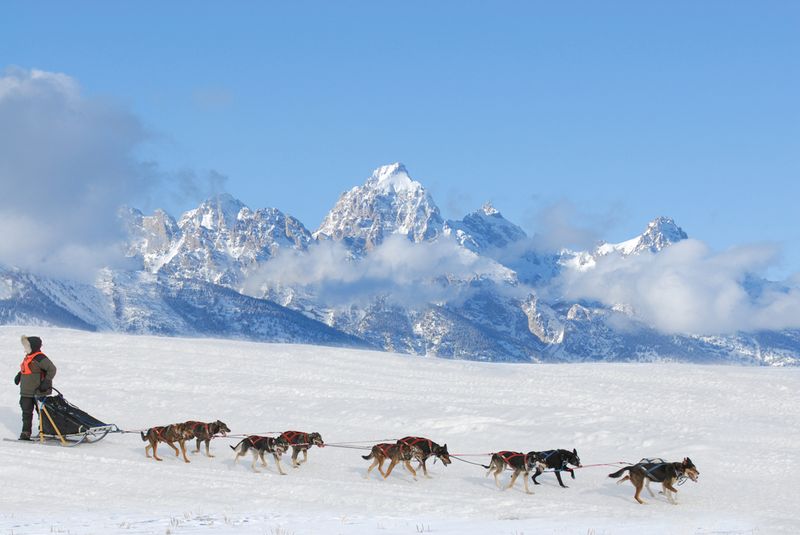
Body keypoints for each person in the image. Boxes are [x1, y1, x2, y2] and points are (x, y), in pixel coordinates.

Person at [13, 335, 57, 441]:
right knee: (26, 413)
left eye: (27, 345)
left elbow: (52, 369)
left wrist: (46, 382)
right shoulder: (28, 357)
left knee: (42, 413)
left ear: (33, 346)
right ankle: (25, 433)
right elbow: (29, 369)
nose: (25, 347)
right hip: (26, 392)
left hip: (39, 391)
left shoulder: (40, 358)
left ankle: (45, 431)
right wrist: (20, 375)